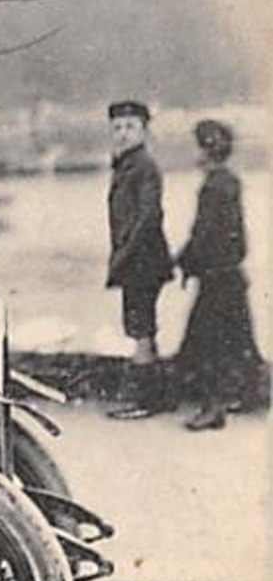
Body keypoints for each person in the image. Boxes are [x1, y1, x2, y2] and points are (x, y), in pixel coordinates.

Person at [173, 120, 266, 430]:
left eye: (198, 147)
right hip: (232, 275)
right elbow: (236, 237)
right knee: (242, 341)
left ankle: (212, 410)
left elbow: (203, 235)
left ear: (206, 151)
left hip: (216, 279)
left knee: (204, 345)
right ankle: (253, 397)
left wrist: (184, 261)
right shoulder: (230, 182)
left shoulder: (212, 187)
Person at [104, 100, 176, 420]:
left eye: (130, 127)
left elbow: (148, 218)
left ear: (145, 131)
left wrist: (122, 257)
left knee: (141, 329)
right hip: (137, 259)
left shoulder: (144, 165)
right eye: (117, 127)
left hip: (141, 260)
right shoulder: (127, 164)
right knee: (142, 327)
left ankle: (145, 401)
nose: (122, 133)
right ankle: (159, 396)